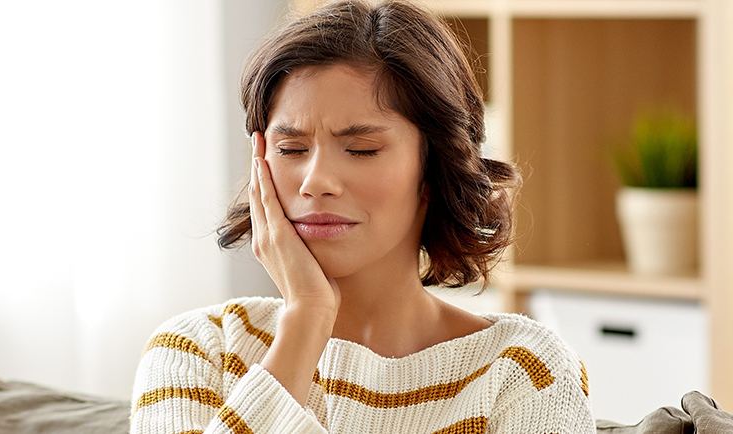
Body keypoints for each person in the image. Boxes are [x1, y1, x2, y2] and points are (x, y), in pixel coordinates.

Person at [128, 0, 595, 432]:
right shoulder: (197, 349)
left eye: (361, 149)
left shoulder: (524, 367)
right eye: (291, 148)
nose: (315, 180)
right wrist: (304, 324)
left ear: (435, 168)